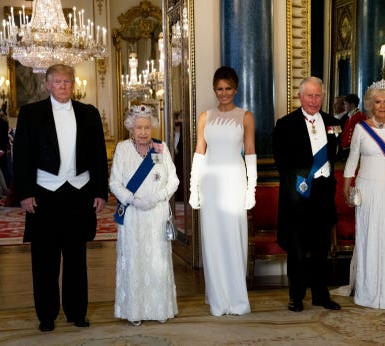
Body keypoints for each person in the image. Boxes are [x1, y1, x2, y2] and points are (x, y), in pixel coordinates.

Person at [13, 64, 109, 332]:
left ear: (73, 83)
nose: (63, 86)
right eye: (57, 82)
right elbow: (21, 156)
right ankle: (46, 315)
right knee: (44, 259)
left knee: (77, 257)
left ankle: (77, 312)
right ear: (47, 84)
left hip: (79, 193)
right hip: (44, 194)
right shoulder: (31, 113)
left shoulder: (89, 113)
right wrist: (24, 193)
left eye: (67, 81)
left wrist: (101, 191)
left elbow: (98, 156)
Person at [333, 79, 385, 310]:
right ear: (370, 104)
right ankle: (369, 292)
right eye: (378, 102)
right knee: (370, 238)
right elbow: (352, 160)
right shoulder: (361, 128)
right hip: (368, 191)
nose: (382, 106)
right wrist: (346, 187)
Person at [189, 66, 256, 316]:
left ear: (235, 89)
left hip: (235, 182)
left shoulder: (245, 116)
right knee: (213, 241)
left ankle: (237, 300)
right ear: (214, 90)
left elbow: (250, 154)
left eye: (228, 88)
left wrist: (251, 190)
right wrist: (193, 188)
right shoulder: (205, 117)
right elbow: (199, 153)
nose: (224, 93)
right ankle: (218, 299)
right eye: (219, 89)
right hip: (211, 183)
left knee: (234, 239)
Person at [272, 76, 341, 313]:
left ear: (323, 96)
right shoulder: (286, 124)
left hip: (323, 193)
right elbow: (280, 161)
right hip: (299, 192)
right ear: (300, 97)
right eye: (309, 95)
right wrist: (300, 182)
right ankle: (296, 296)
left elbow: (335, 156)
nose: (313, 100)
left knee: (321, 247)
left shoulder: (333, 123)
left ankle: (321, 295)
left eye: (318, 95)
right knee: (298, 249)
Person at [109, 104, 179, 326]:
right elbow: (114, 183)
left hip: (156, 214)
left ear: (152, 127)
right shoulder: (122, 148)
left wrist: (157, 198)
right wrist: (133, 200)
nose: (143, 132)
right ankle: (135, 311)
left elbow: (174, 180)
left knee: (157, 260)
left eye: (147, 127)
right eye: (138, 127)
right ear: (131, 128)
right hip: (133, 216)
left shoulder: (160, 148)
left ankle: (160, 309)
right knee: (134, 260)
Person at [339, 93, 366, 160]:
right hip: (347, 149)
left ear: (352, 105)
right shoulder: (350, 117)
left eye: (346, 104)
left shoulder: (360, 117)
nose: (344, 107)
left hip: (353, 150)